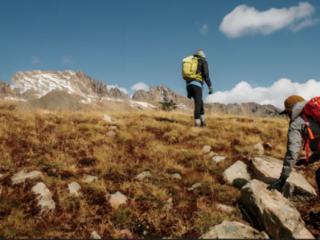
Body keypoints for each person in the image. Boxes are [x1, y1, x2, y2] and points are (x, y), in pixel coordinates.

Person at [268, 95, 320, 193]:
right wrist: (308, 160)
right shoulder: (313, 116)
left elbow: (292, 152)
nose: (287, 116)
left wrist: (282, 178)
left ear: (290, 110)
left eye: (287, 113)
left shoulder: (296, 124)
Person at [182, 49, 213, 127]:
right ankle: (197, 125)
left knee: (200, 103)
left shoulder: (191, 60)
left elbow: (188, 76)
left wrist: (188, 92)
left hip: (188, 85)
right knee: (198, 104)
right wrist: (210, 86)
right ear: (203, 56)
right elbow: (206, 75)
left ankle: (203, 123)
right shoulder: (203, 61)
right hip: (197, 85)